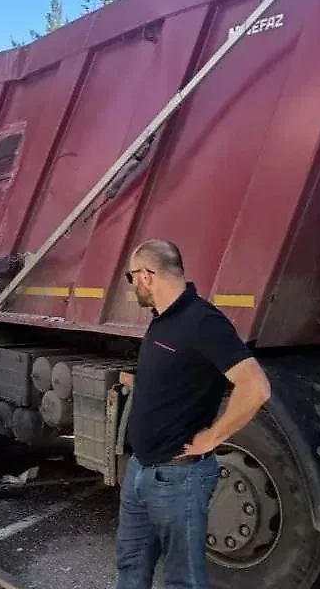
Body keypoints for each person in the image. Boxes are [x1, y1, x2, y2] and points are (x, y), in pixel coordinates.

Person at [115, 239, 272, 589]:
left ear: (146, 275)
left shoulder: (202, 322)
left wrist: (213, 437)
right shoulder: (163, 319)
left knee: (183, 580)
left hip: (178, 477)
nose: (133, 284)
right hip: (140, 470)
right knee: (130, 568)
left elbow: (256, 387)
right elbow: (182, 372)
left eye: (132, 276)